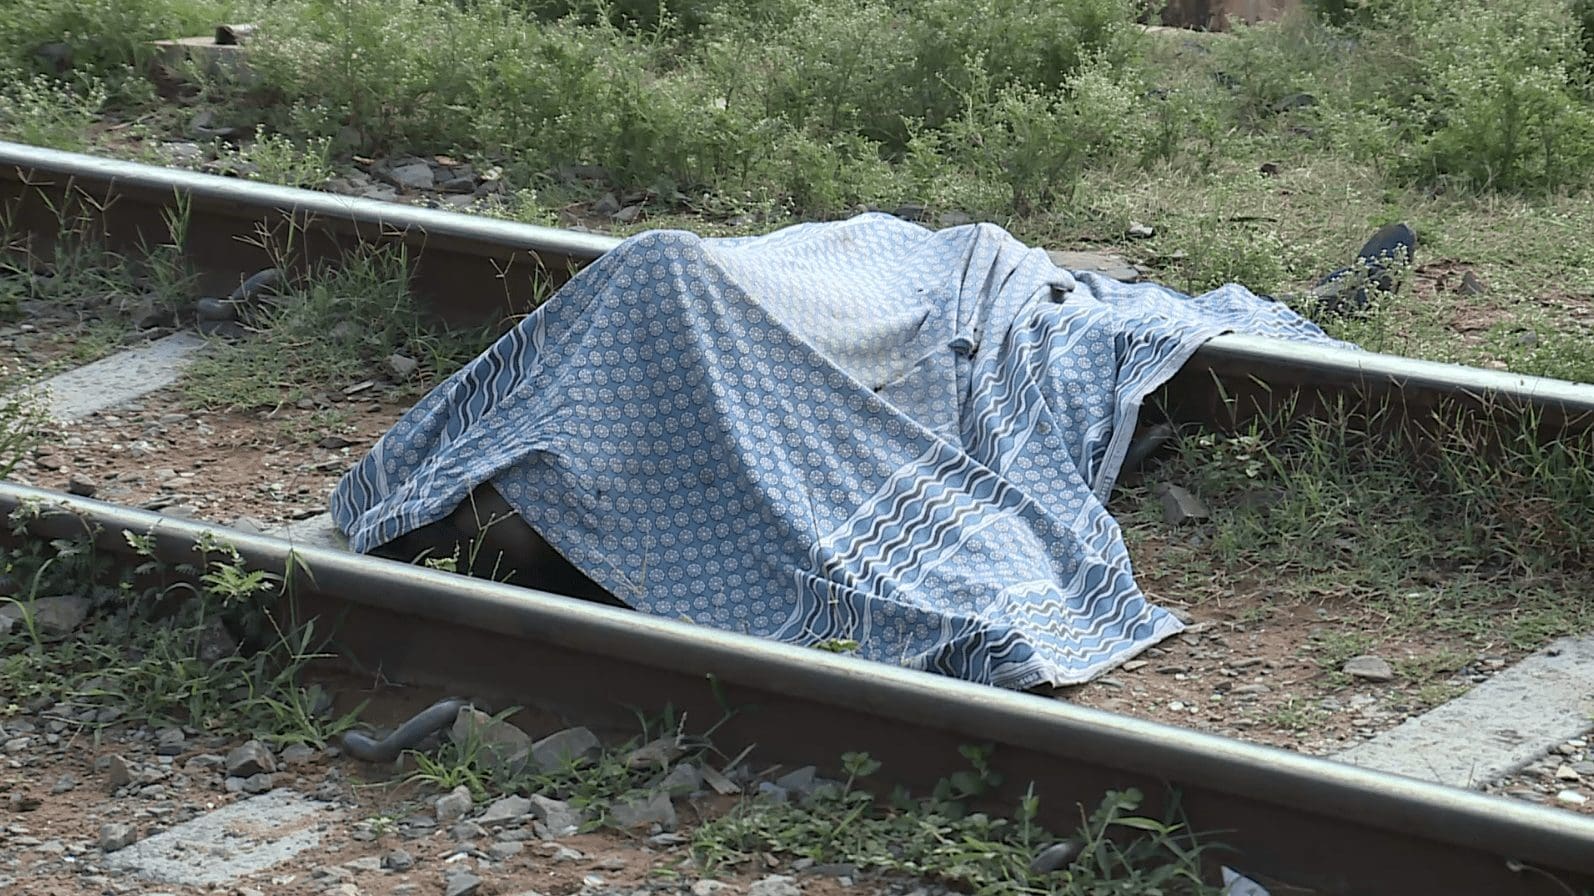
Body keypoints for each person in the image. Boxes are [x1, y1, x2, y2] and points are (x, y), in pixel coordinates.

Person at [332, 214, 1414, 690]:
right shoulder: (628, 442)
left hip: (863, 277)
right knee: (1053, 325)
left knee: (1031, 308)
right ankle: (1245, 312)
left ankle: (1241, 311)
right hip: (801, 313)